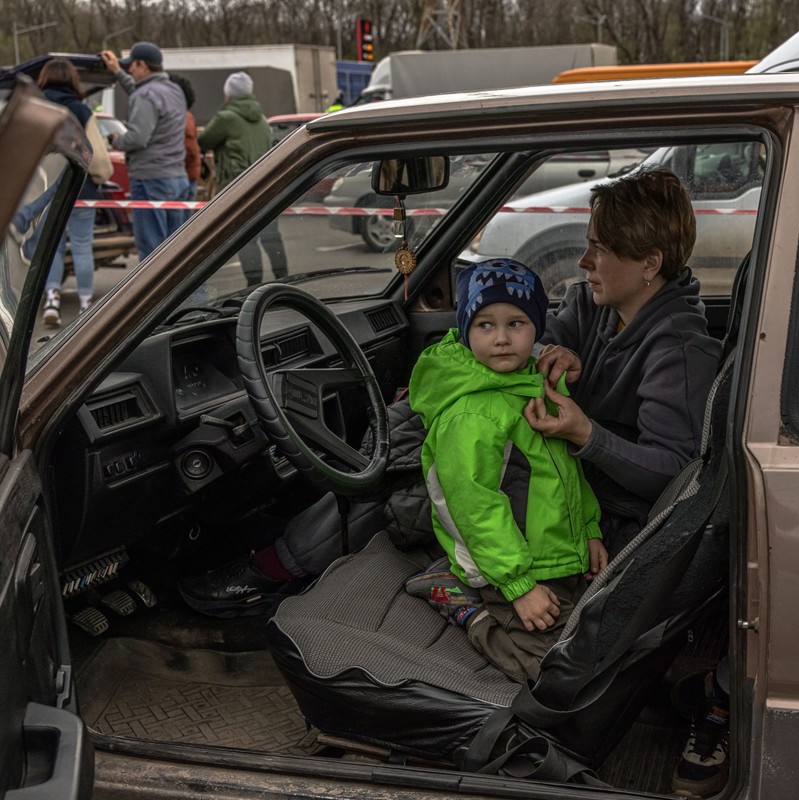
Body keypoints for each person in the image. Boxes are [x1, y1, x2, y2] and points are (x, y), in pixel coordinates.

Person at [179, 166, 719, 615]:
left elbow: (675, 475)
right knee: (412, 432)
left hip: (591, 484)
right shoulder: (591, 305)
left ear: (650, 263)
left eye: (599, 250)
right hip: (543, 445)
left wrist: (585, 433)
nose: (584, 262)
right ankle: (307, 545)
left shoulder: (680, 350)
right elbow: (522, 352)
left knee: (408, 480)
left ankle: (279, 568)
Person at [404, 258, 607, 683]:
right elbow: (475, 507)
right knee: (554, 674)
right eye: (484, 325)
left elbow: (567, 470)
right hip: (503, 568)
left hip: (551, 555)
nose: (500, 338)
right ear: (464, 330)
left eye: (516, 323)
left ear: (537, 329)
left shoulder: (535, 384)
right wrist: (519, 587)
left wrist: (588, 529)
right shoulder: (473, 412)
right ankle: (466, 607)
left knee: (594, 642)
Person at [9, 59, 113, 325]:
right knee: (81, 247)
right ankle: (86, 305)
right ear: (72, 81)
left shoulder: (36, 110)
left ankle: (52, 301)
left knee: (51, 247)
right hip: (81, 189)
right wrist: (100, 178)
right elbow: (97, 157)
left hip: (44, 189)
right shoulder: (81, 110)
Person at [99, 42, 189, 262]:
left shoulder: (145, 95)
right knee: (179, 249)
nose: (130, 69)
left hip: (151, 179)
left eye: (132, 65)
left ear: (143, 66)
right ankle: (191, 295)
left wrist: (117, 141)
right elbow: (142, 93)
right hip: (177, 177)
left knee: (152, 252)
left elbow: (138, 137)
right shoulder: (173, 90)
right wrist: (118, 73)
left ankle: (157, 297)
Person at [198, 71, 287, 286]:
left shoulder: (225, 118)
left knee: (245, 237)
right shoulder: (261, 119)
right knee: (270, 234)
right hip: (265, 183)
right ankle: (283, 278)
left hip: (237, 185)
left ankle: (253, 283)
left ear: (228, 94)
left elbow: (204, 141)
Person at [168, 73, 202, 210]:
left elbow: (189, 148)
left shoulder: (181, 118)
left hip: (184, 175)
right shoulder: (188, 117)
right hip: (189, 174)